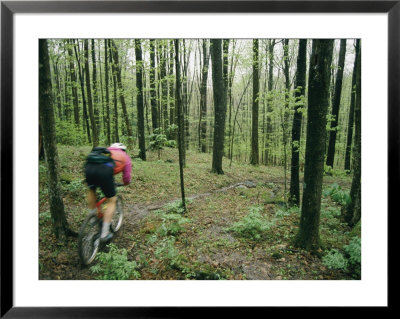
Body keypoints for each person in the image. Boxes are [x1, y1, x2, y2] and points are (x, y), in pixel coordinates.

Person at [84, 143, 132, 243]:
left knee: (91, 189)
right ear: (123, 150)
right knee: (112, 200)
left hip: (89, 167)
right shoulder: (125, 157)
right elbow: (126, 177)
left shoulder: (106, 151)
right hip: (104, 172)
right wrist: (125, 183)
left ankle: (92, 217)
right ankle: (104, 234)